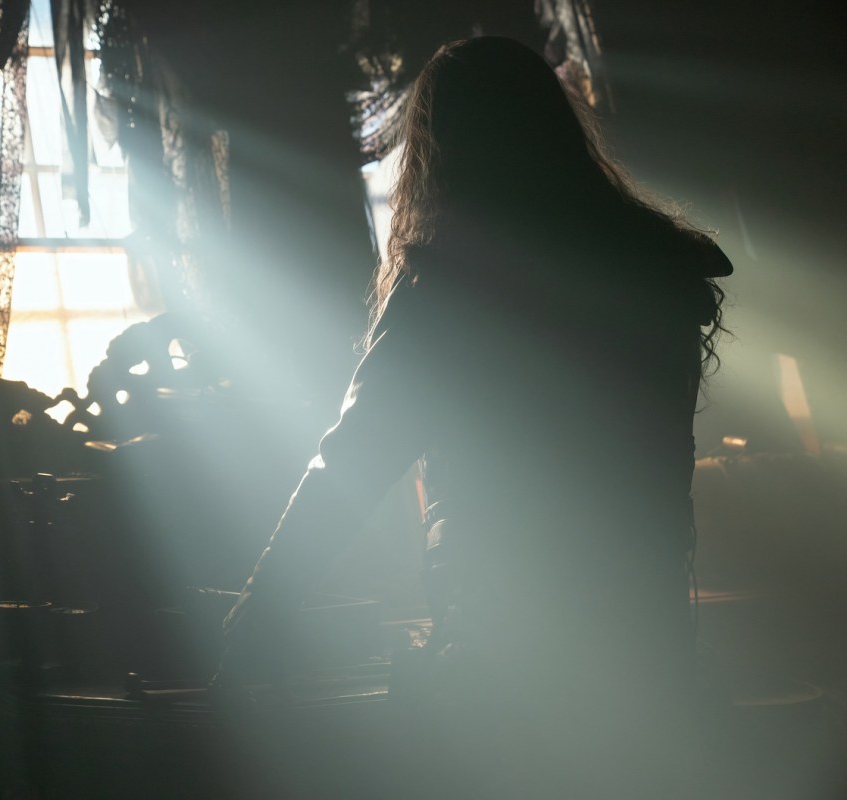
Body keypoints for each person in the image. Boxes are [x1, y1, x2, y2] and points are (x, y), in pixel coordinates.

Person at [217, 35, 731, 730]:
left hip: (507, 642)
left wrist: (261, 606)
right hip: (645, 628)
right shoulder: (655, 263)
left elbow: (355, 456)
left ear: (441, 144)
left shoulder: (452, 284)